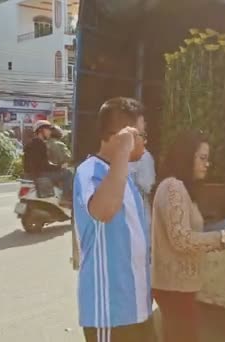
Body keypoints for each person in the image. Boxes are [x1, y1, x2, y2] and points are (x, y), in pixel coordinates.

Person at [151, 130, 225, 342]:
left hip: (179, 287)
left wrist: (224, 238)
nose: (207, 164)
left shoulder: (181, 188)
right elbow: (181, 239)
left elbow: (190, 236)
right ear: (186, 156)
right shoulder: (174, 187)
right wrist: (223, 236)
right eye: (203, 158)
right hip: (174, 288)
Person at [73, 97, 152, 342]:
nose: (146, 142)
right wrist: (122, 150)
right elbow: (104, 210)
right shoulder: (90, 170)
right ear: (124, 135)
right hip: (110, 312)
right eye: (142, 134)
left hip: (136, 308)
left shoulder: (121, 177)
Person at [23, 120, 73, 203]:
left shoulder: (32, 143)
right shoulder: (39, 144)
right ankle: (65, 198)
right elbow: (44, 166)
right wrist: (59, 167)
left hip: (31, 175)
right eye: (48, 129)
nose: (50, 132)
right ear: (40, 131)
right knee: (67, 173)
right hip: (40, 175)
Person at [128, 114, 155, 223]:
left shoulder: (144, 157)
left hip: (140, 219)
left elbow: (149, 187)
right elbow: (150, 186)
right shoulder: (144, 156)